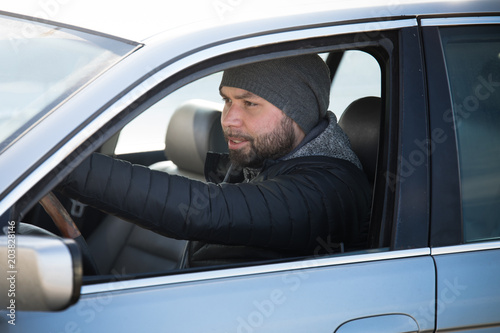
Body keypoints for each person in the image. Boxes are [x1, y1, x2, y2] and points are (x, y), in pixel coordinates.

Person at [58, 54, 372, 267]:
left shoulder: (328, 193)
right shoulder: (262, 163)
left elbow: (204, 212)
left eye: (250, 103)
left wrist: (58, 167)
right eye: (227, 100)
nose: (229, 120)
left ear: (298, 112)